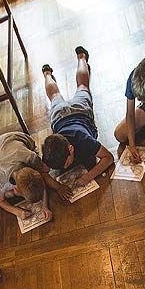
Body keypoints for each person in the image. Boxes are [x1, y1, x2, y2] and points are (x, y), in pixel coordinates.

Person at [41, 46, 114, 186]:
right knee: (76, 88)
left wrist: (88, 177)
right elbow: (43, 171)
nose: (65, 168)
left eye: (67, 162)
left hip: (78, 111)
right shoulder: (49, 155)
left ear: (71, 148)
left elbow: (108, 158)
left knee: (77, 88)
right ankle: (75, 60)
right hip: (60, 116)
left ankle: (52, 71)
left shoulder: (84, 139)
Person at [0, 130, 71, 219]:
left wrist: (45, 206)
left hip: (21, 140)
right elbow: (0, 201)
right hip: (1, 143)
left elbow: (42, 176)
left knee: (45, 169)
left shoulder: (32, 158)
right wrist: (17, 211)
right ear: (16, 189)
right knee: (7, 194)